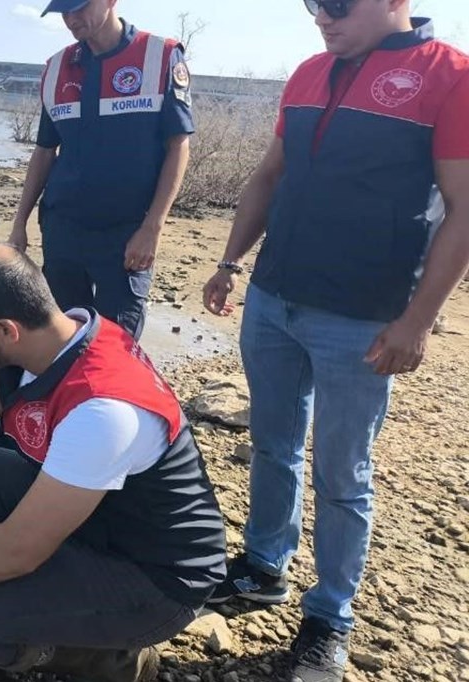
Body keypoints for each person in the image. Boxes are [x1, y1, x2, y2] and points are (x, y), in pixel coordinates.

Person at [201, 2, 469, 681]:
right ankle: (264, 566)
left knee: (342, 472)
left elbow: (464, 207)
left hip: (362, 317)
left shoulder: (450, 74)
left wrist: (418, 320)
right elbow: (269, 175)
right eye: (311, 3)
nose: (322, 15)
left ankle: (330, 618)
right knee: (271, 443)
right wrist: (232, 262)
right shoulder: (309, 71)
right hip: (273, 298)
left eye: (338, 3)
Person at [0, 244, 226, 682]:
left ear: (7, 330)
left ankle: (110, 659)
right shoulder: (58, 339)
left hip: (155, 578)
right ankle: (22, 600)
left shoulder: (101, 411)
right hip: (97, 515)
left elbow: (18, 552)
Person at [9, 0, 193, 340]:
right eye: (63, 11)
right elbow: (45, 151)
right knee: (60, 338)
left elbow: (178, 146)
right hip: (63, 229)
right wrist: (19, 223)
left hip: (125, 233)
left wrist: (152, 228)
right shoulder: (56, 68)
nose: (71, 19)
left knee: (115, 342)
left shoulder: (160, 56)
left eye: (79, 8)